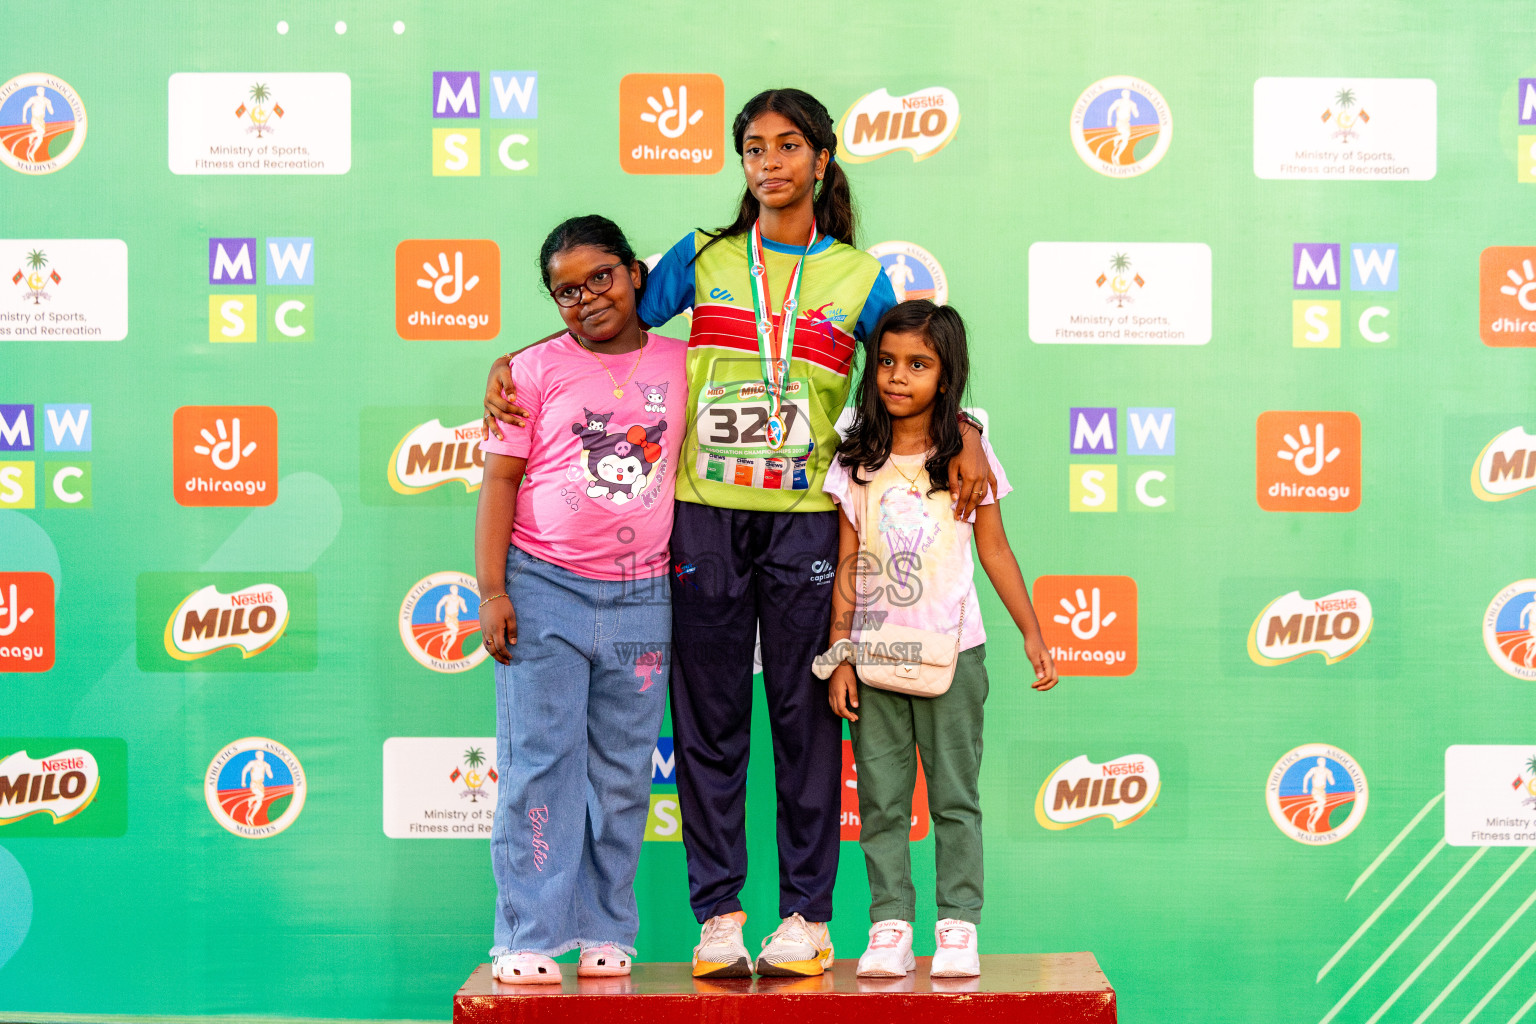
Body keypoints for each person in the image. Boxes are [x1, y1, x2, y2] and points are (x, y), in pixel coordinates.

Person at [482, 88, 995, 980]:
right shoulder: (706, 256)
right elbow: (607, 316)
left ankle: (806, 918)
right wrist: (516, 362)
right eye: (752, 147)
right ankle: (719, 913)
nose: (769, 162)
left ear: (821, 160)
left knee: (803, 722)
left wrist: (973, 429)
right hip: (705, 519)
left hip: (805, 523)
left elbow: (920, 365)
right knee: (710, 724)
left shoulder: (861, 277)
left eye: (788, 146)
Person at [475, 215, 687, 985]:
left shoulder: (684, 362)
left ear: (635, 272)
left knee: (625, 771)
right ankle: (528, 934)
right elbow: (500, 481)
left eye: (601, 276)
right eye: (566, 291)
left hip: (642, 598)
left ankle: (606, 927)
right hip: (543, 587)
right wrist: (493, 589)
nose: (587, 297)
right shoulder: (531, 370)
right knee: (540, 764)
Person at [821, 300, 1057, 980]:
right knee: (882, 803)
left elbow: (997, 551)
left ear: (947, 376)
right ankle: (890, 925)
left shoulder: (967, 457)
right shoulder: (856, 455)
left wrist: (1032, 633)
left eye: (918, 365)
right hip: (873, 656)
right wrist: (839, 654)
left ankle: (957, 927)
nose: (898, 377)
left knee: (955, 798)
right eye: (888, 362)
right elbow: (848, 563)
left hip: (956, 653)